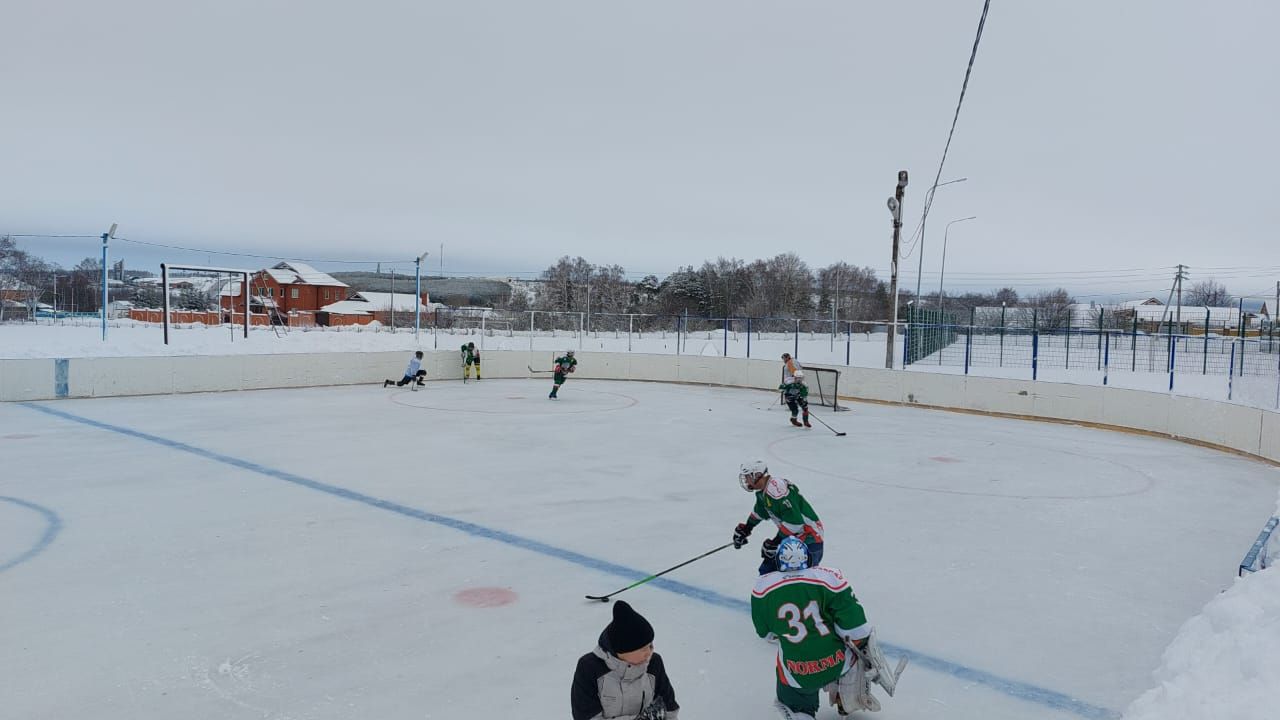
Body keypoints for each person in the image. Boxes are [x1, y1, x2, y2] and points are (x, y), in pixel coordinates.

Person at [751, 537, 904, 719]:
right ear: (807, 558)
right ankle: (845, 695)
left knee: (786, 669)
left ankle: (800, 711)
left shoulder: (762, 588)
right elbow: (858, 631)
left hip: (798, 674)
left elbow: (765, 632)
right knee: (857, 649)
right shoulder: (829, 577)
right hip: (837, 664)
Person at [571, 600, 680, 720]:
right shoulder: (589, 668)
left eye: (650, 645)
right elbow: (585, 717)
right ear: (623, 651)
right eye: (643, 649)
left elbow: (669, 708)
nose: (649, 652)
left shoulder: (654, 663)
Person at [732, 461, 824, 575]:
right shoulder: (763, 492)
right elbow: (760, 512)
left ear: (756, 475)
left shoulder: (776, 489)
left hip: (810, 540)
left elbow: (795, 522)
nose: (745, 480)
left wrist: (775, 542)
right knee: (767, 572)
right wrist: (746, 528)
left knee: (799, 579)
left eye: (747, 477)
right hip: (793, 542)